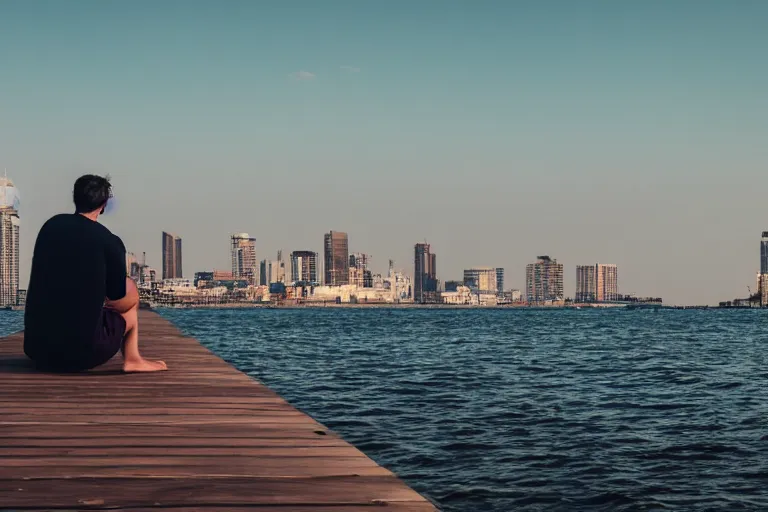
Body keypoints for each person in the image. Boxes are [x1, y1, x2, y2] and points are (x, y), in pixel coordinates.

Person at [24, 174, 167, 373]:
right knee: (130, 297)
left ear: (75, 197)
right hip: (83, 354)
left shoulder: (50, 227)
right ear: (104, 204)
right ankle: (133, 360)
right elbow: (118, 296)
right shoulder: (109, 241)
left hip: (37, 350)